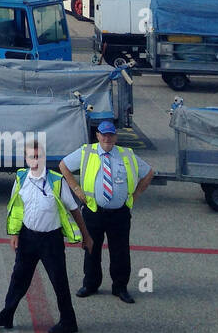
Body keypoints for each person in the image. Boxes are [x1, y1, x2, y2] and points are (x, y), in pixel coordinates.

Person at [0, 139, 91, 333]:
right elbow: (17, 207)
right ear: (26, 159)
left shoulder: (56, 180)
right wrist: (15, 234)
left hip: (50, 240)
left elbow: (74, 210)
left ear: (44, 158)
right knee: (18, 277)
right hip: (28, 237)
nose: (35, 160)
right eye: (31, 157)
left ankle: (69, 322)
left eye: (39, 156)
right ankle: (7, 315)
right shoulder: (20, 178)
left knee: (58, 280)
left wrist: (86, 236)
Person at [59, 120, 155, 303]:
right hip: (94, 211)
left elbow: (149, 173)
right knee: (91, 248)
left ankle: (120, 287)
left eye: (111, 135)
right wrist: (77, 190)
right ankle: (90, 284)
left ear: (116, 137)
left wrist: (135, 195)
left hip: (120, 213)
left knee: (120, 251)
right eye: (104, 134)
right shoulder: (87, 151)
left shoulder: (126, 154)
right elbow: (64, 166)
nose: (107, 138)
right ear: (97, 136)